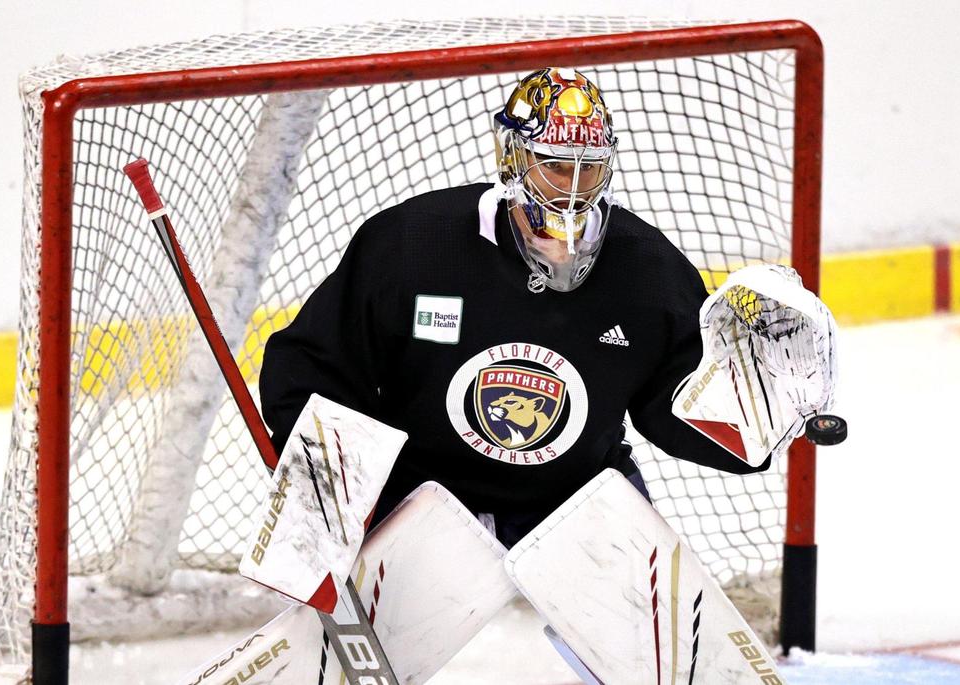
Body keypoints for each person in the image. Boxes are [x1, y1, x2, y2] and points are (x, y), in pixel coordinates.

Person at [258, 67, 768, 546]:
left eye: (588, 169)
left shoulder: (649, 270)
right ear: (513, 157)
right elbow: (315, 364)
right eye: (554, 166)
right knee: (362, 638)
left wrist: (760, 412)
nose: (572, 190)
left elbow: (680, 406)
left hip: (578, 496)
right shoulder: (413, 244)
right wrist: (329, 479)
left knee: (655, 636)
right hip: (418, 497)